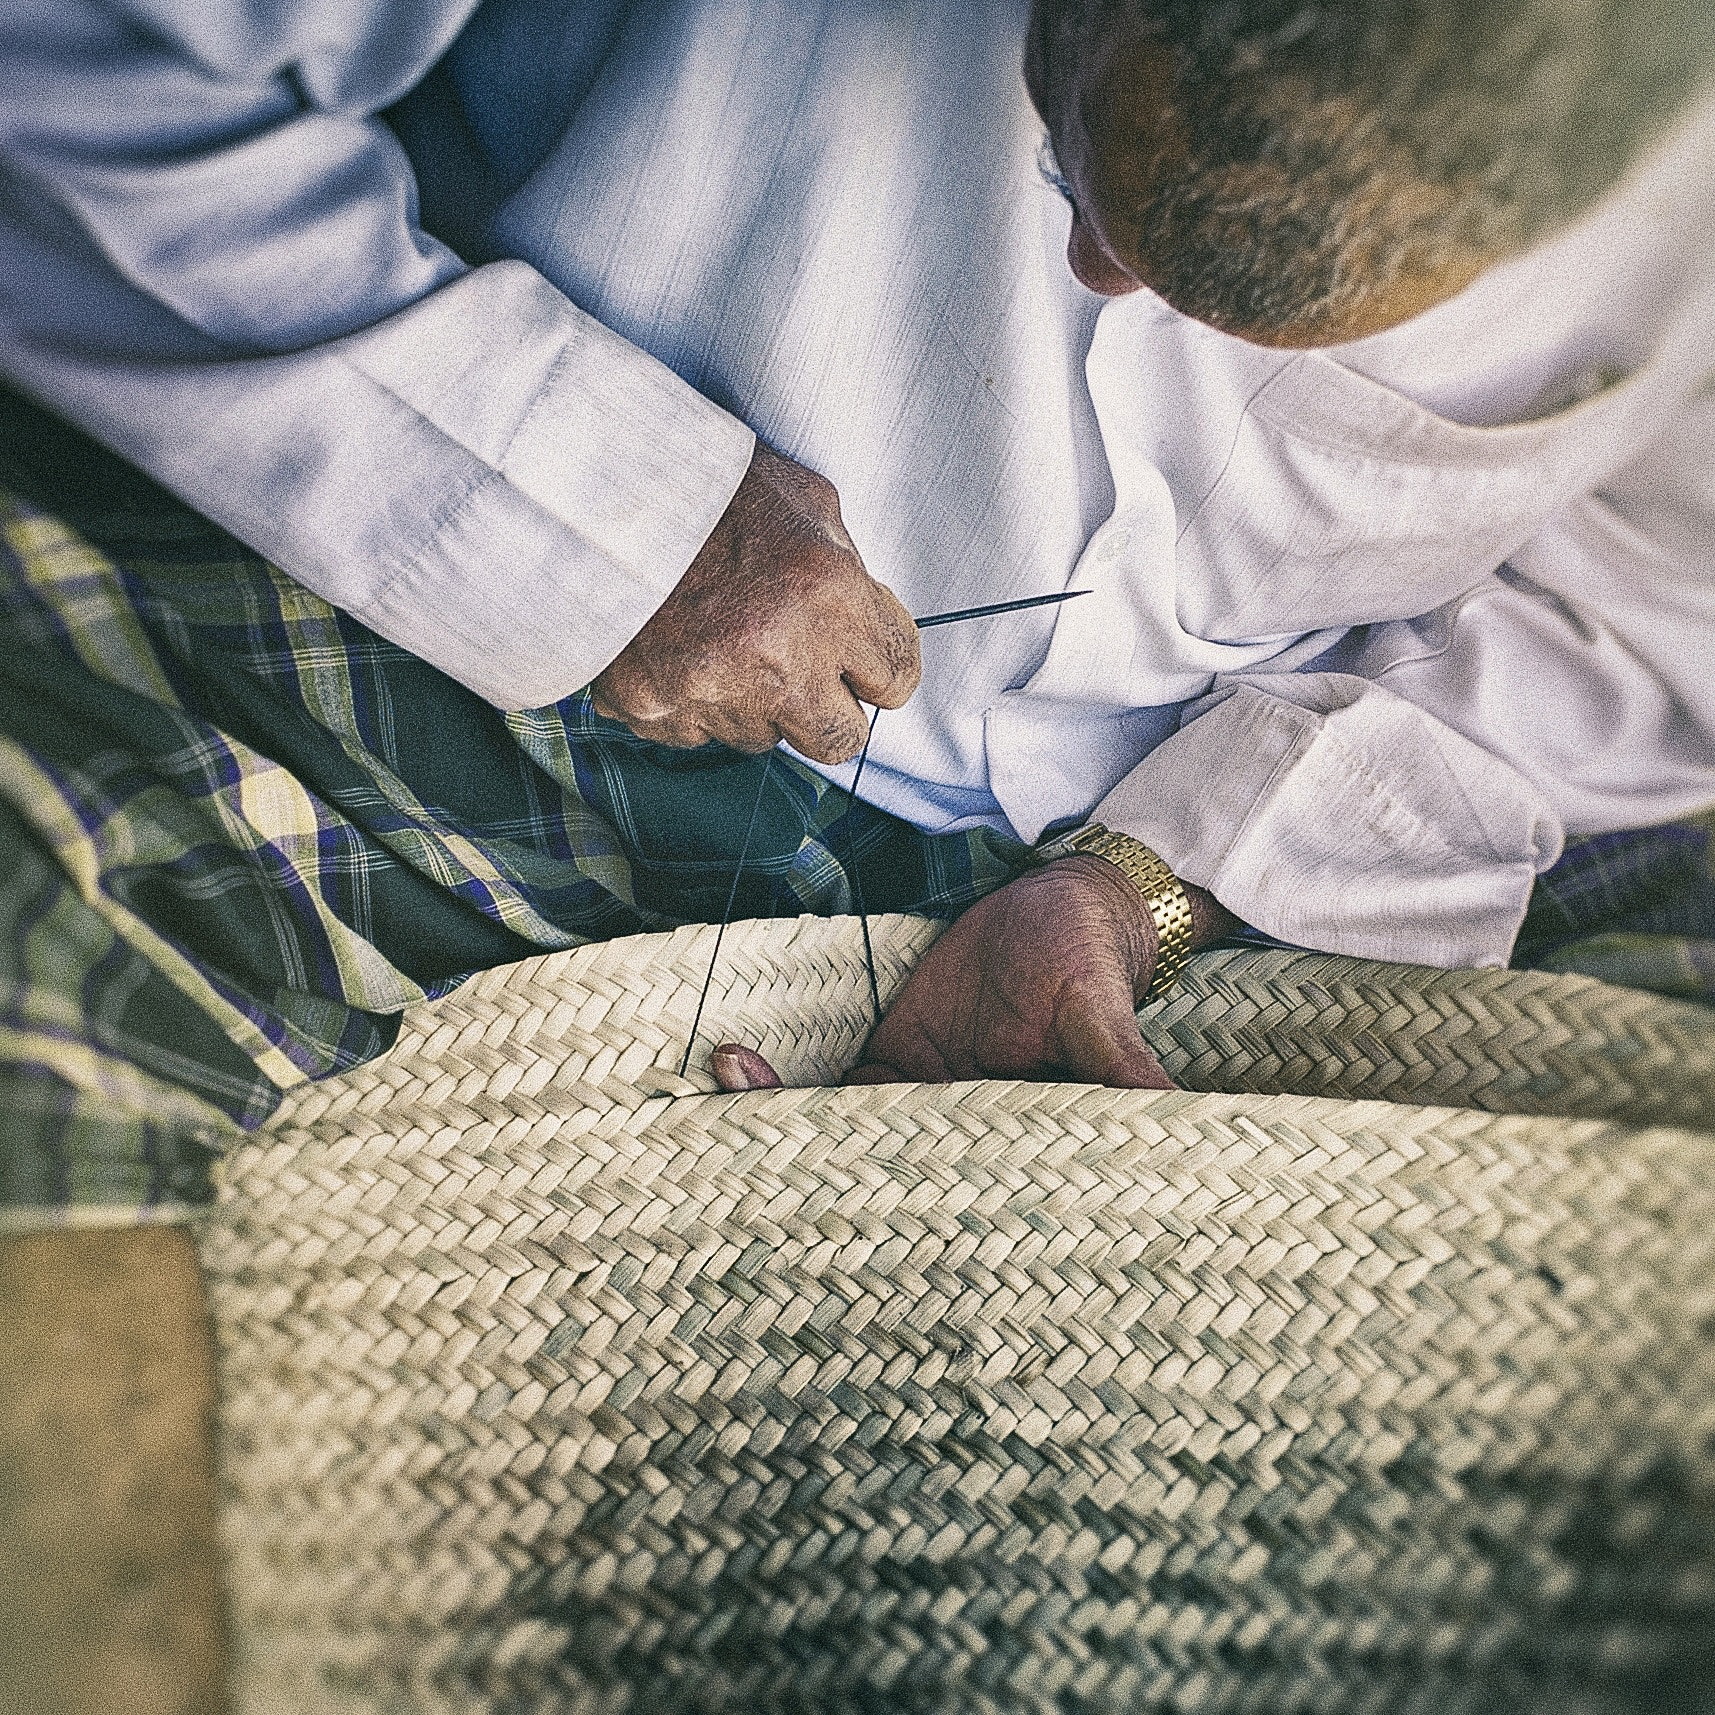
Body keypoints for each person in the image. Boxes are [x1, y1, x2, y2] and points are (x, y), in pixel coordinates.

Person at [3, 0, 1715, 1191]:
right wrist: (596, 510)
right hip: (446, 629)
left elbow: (1647, 623)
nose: (1099, 278)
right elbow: (77, 71)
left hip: (1254, 867)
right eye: (1086, 177)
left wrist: (1148, 886)